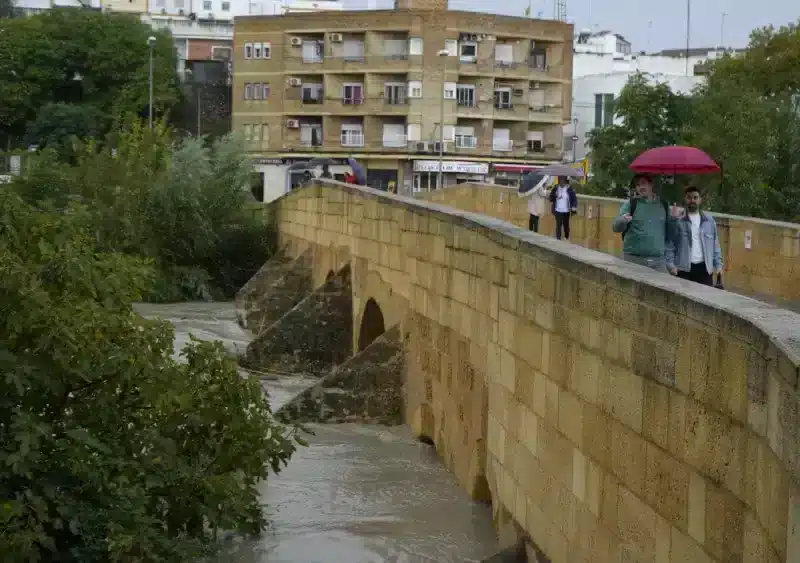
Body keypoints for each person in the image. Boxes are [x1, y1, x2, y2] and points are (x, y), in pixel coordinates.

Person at [612, 174, 676, 272]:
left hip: (658, 262)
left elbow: (670, 235)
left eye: (643, 183)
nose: (641, 187)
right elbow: (615, 228)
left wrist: (674, 220)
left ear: (651, 184)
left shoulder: (663, 205)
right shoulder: (631, 204)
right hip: (633, 260)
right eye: (638, 185)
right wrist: (623, 220)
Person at [665, 185, 723, 285]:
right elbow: (670, 245)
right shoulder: (678, 221)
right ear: (685, 199)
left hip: (704, 269)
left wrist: (718, 266)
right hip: (683, 269)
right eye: (689, 197)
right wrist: (671, 266)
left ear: (700, 200)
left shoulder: (709, 221)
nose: (692, 200)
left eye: (695, 197)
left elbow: (715, 246)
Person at [548, 176, 578, 240]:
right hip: (558, 210)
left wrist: (574, 206)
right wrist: (555, 195)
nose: (561, 182)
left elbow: (574, 199)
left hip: (566, 211)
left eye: (563, 181)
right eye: (560, 180)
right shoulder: (556, 187)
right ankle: (558, 239)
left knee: (566, 226)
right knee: (558, 226)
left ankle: (566, 237)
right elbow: (550, 198)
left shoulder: (569, 188)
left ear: (565, 181)